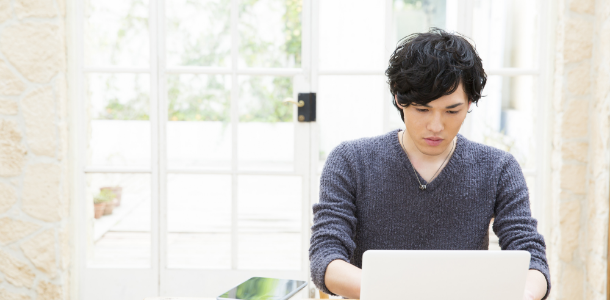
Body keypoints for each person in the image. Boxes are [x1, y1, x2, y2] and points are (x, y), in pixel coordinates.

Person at [309, 28, 550, 300]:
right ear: (399, 99)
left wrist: (525, 294)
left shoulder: (498, 168)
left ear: (470, 102)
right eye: (422, 109)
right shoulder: (351, 161)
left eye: (452, 111)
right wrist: (399, 291)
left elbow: (532, 259)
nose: (436, 126)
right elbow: (325, 258)